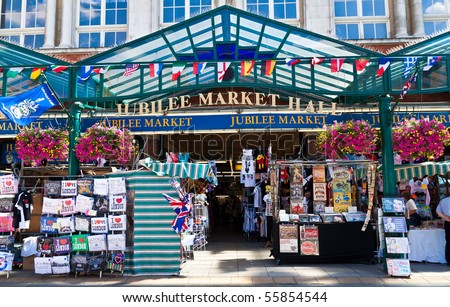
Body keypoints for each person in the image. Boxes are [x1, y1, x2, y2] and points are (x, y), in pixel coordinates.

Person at [436, 196, 450, 265]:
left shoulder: (444, 200)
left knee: (449, 241)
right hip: (448, 220)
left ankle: (449, 260)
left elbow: (438, 211)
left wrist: (445, 217)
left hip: (448, 221)